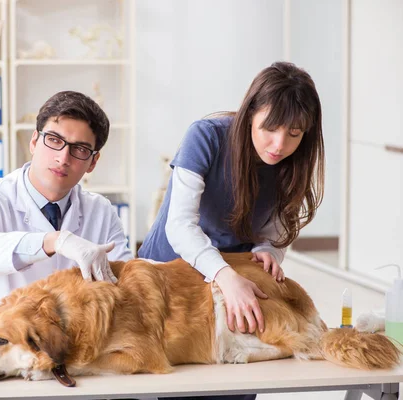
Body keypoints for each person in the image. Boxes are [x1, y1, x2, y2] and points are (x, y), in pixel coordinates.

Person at [139, 61, 324, 400]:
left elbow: (276, 228)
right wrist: (224, 276)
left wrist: (270, 250)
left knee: (235, 381)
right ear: (251, 111)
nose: (279, 144)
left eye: (294, 134)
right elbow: (180, 226)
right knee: (170, 383)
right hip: (168, 275)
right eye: (270, 127)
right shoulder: (206, 136)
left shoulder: (292, 163)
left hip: (233, 281)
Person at [0, 91, 132, 337]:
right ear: (34, 142)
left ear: (93, 162)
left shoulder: (101, 211)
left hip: (69, 352)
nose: (63, 158)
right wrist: (55, 241)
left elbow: (125, 283)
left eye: (80, 149)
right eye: (54, 140)